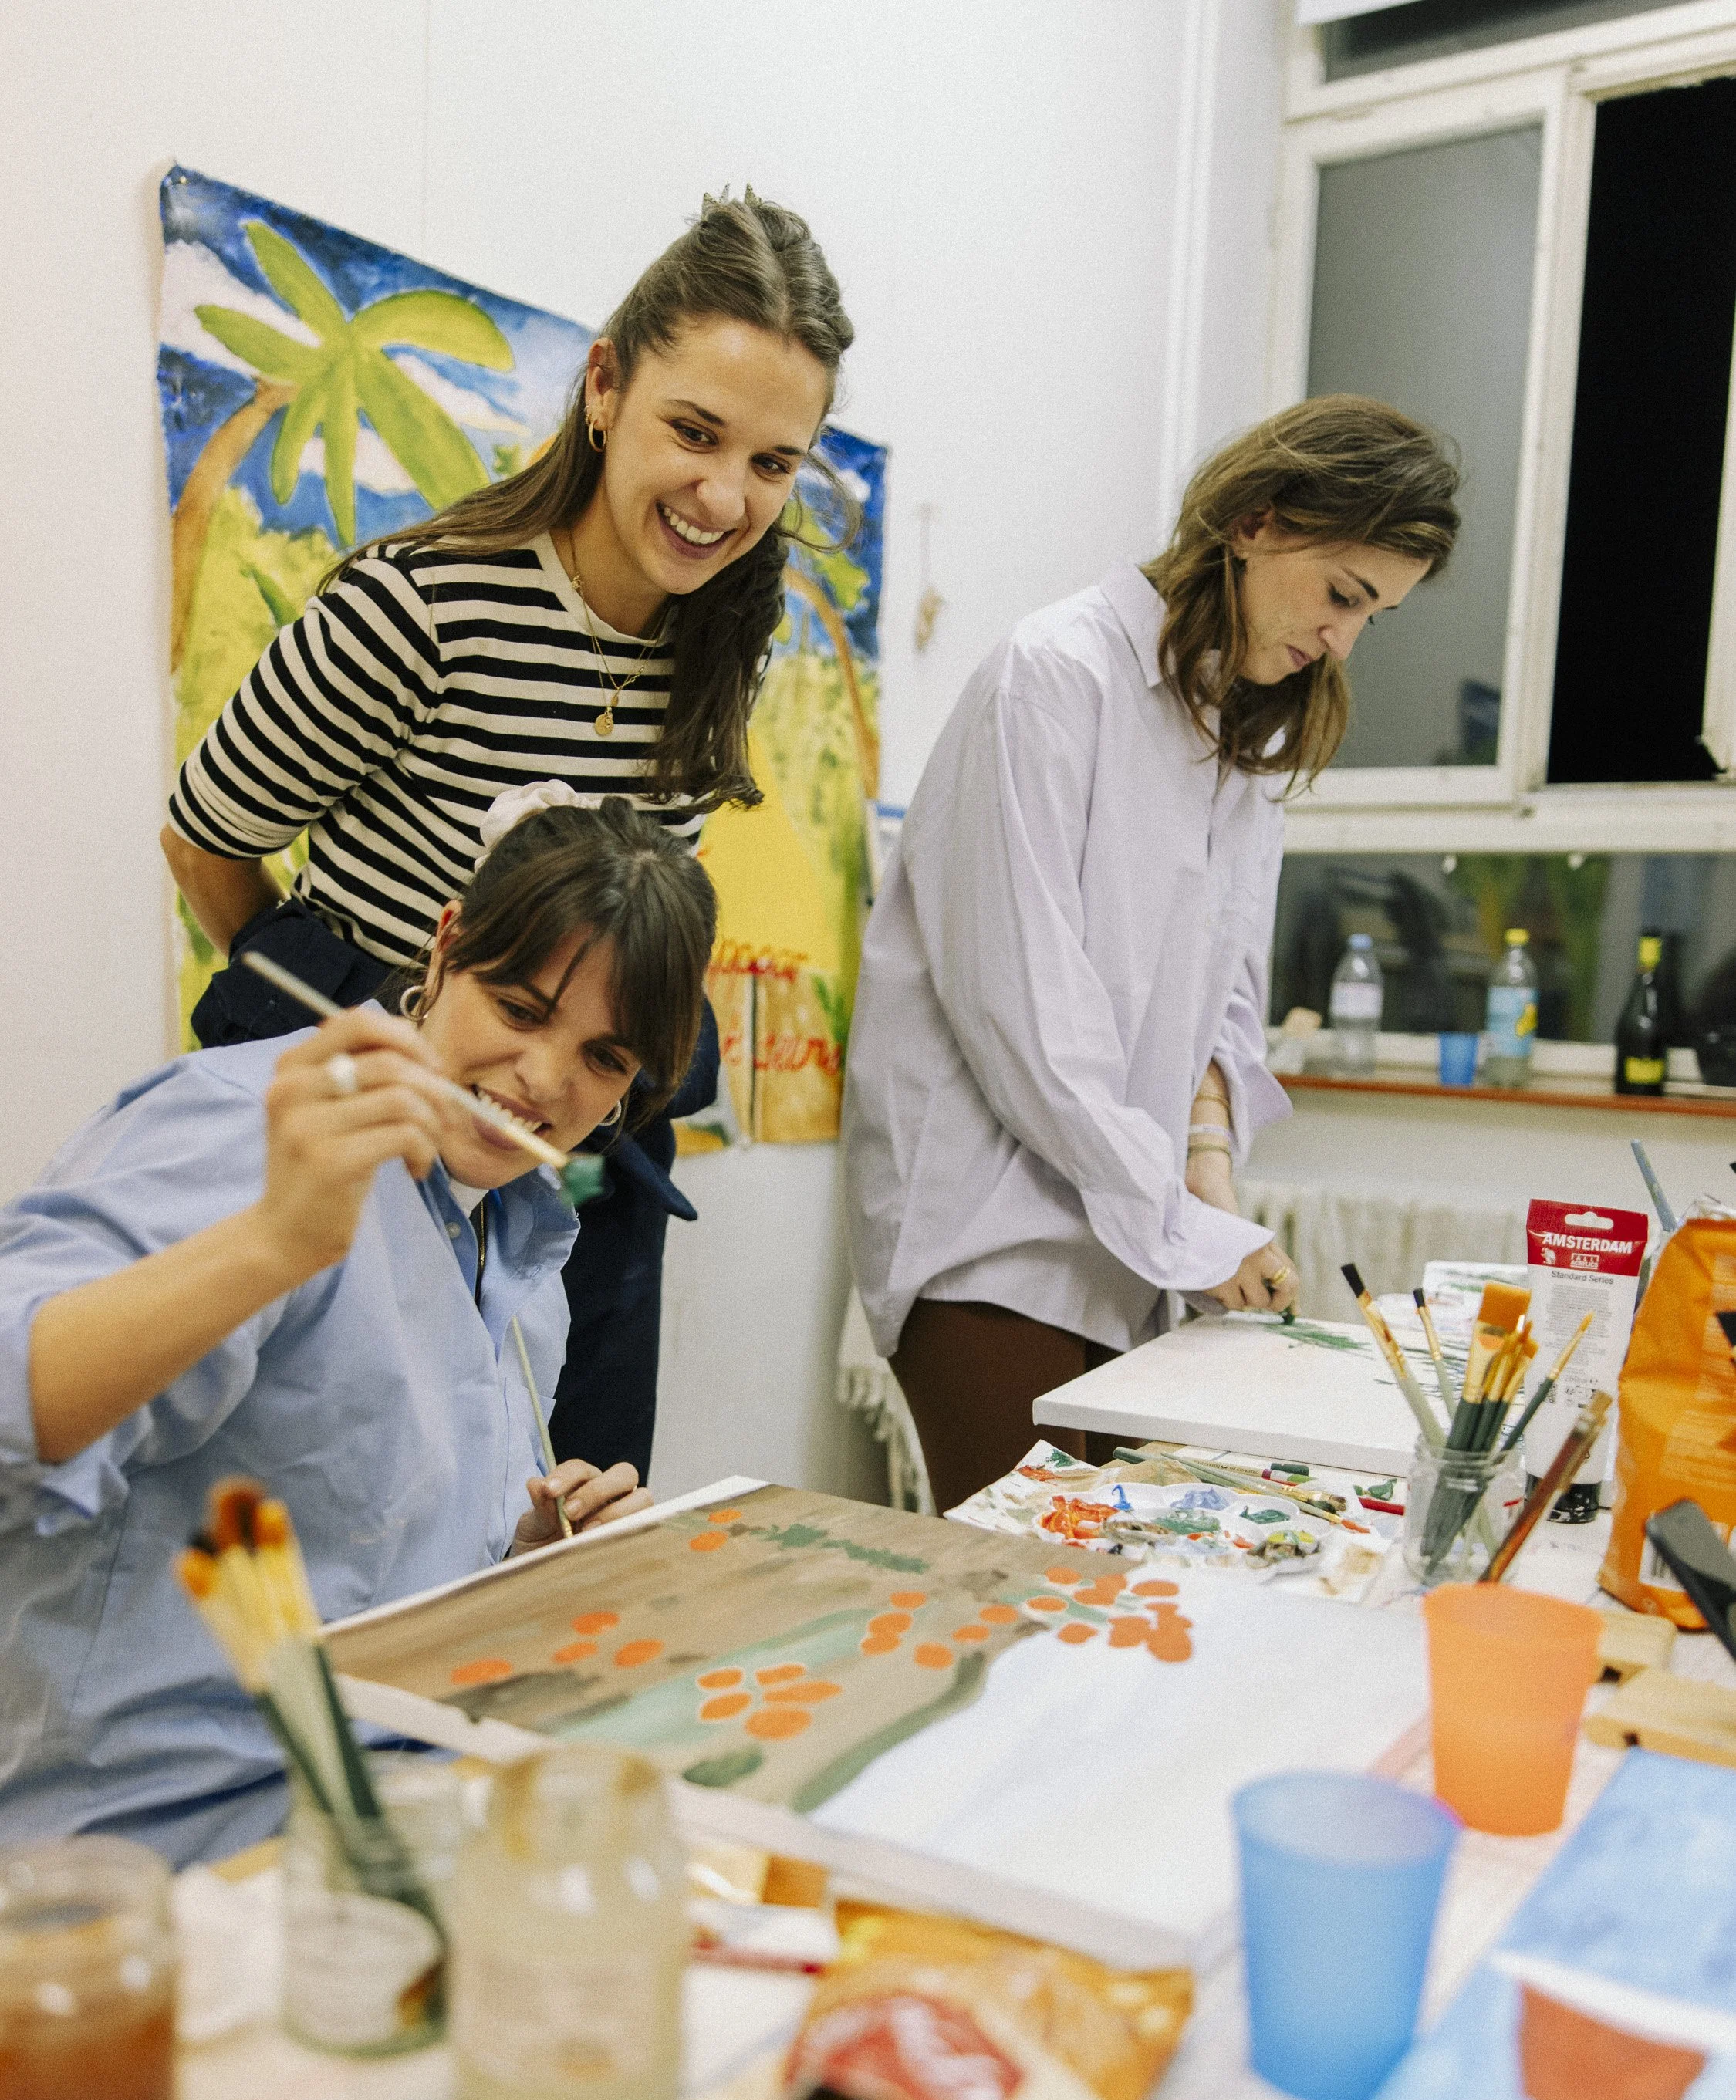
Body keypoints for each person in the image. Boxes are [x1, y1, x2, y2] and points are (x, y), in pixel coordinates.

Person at [161, 191, 855, 1487]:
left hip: (583, 1175)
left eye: (770, 465)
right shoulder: (419, 606)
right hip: (368, 1156)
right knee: (366, 1521)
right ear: (604, 387)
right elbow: (206, 835)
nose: (722, 497)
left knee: (573, 1521)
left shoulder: (718, 651)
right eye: (692, 433)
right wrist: (349, 1022)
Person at [0, 798, 714, 1865]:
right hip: (158, 1858)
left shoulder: (522, 1251)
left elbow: (375, 1535)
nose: (543, 1082)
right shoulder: (247, 1129)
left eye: (603, 1060)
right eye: (518, 1009)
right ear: (446, 945)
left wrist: (526, 1555)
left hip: (388, 1822)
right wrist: (274, 1241)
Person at [843, 396, 1461, 1513]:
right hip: (990, 1227)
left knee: (1112, 1603)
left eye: (1376, 615)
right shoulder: (1055, 675)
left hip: (1122, 1229)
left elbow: (1222, 999)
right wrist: (1182, 1227)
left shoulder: (1243, 735)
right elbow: (1024, 1011)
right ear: (1257, 521)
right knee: (1024, 1601)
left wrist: (1208, 1186)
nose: (1342, 640)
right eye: (1340, 594)